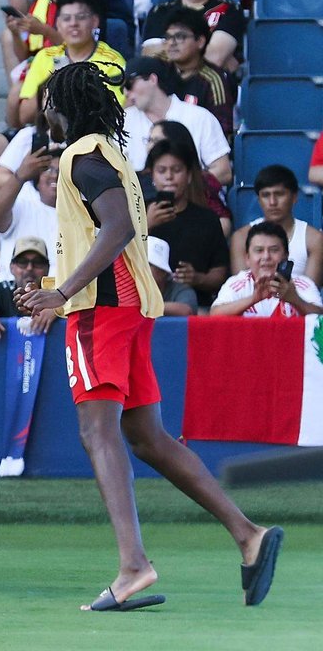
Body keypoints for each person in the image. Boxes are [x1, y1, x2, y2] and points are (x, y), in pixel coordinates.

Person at [17, 60, 281, 611]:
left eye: (47, 101)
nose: (44, 111)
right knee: (146, 438)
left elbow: (114, 229)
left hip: (100, 309)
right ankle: (248, 534)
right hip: (131, 305)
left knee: (98, 430)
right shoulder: (109, 152)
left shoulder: (81, 155)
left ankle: (134, 564)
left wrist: (62, 293)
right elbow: (113, 228)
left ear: (61, 104)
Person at [18, 0, 126, 125]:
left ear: (94, 21)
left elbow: (116, 113)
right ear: (58, 24)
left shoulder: (112, 61)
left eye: (81, 17)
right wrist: (52, 83)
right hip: (49, 135)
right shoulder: (45, 57)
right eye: (66, 18)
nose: (73, 23)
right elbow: (24, 116)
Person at [145, 138, 228, 306]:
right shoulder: (137, 212)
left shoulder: (207, 219)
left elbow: (220, 272)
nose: (169, 177)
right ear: (152, 175)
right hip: (143, 305)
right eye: (162, 170)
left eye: (176, 170)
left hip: (195, 308)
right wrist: (146, 225)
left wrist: (198, 278)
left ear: (189, 176)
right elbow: (119, 260)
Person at [122, 56, 231, 184]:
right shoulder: (124, 121)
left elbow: (224, 172)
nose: (126, 93)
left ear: (152, 79)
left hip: (192, 201)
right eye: (122, 88)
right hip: (141, 201)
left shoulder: (199, 117)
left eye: (129, 84)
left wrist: (181, 187)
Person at [230, 165, 323, 288]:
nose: (272, 202)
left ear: (294, 197)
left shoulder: (314, 239)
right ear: (259, 200)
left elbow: (310, 293)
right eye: (266, 195)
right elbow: (240, 289)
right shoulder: (241, 237)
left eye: (279, 194)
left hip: (297, 305)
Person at [213, 222, 323, 317]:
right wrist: (253, 299)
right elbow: (214, 314)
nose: (266, 257)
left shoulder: (303, 284)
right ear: (247, 258)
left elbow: (320, 319)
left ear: (286, 256)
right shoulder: (237, 284)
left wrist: (295, 300)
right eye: (259, 250)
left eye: (274, 250)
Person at [160, 7, 236, 136]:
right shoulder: (157, 69)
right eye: (168, 37)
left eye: (180, 37)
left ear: (200, 41)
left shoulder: (213, 80)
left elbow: (221, 134)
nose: (171, 43)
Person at [0, 146, 60, 285]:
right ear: (37, 178)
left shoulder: (83, 213)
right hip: (13, 293)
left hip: (65, 297)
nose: (55, 175)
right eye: (48, 169)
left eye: (62, 171)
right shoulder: (22, 205)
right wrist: (20, 175)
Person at [147, 236, 198, 316]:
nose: (141, 269)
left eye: (148, 264)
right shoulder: (127, 286)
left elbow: (187, 311)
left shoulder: (180, 290)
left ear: (163, 272)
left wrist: (149, 307)